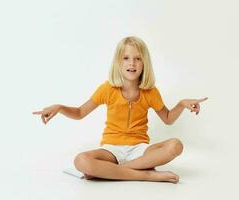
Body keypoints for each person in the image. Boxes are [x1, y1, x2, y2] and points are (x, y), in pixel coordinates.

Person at [33, 36, 208, 184]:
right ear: (118, 62)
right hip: (112, 150)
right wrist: (59, 107)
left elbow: (168, 119)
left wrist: (181, 104)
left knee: (175, 145)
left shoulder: (150, 92)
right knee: (81, 160)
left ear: (144, 63)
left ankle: (113, 172)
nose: (132, 63)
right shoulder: (107, 89)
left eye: (138, 58)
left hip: (140, 150)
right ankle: (146, 175)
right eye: (126, 58)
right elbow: (79, 113)